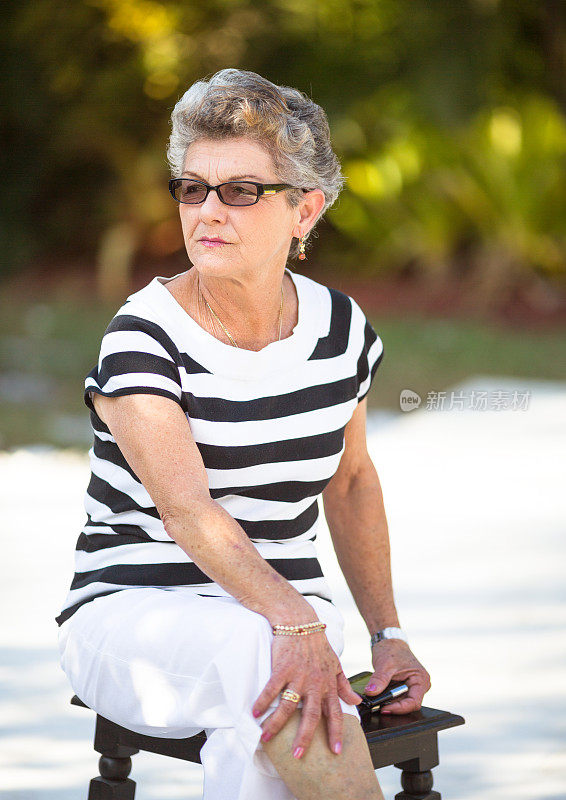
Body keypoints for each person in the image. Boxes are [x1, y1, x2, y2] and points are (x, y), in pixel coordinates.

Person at [55, 68, 430, 800]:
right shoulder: (142, 338)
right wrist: (292, 623)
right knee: (262, 665)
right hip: (134, 619)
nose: (208, 211)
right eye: (193, 188)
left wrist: (387, 636)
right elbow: (188, 510)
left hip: (287, 625)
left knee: (255, 713)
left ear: (305, 211)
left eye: (241, 191)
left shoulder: (340, 328)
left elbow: (351, 482)